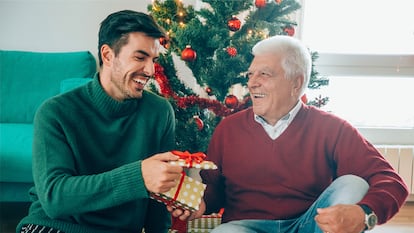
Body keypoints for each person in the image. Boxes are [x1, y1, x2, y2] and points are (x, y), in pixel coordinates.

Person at [176, 35, 409, 233]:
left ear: (296, 83)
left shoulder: (331, 128)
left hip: (309, 225)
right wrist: (202, 204)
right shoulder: (229, 129)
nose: (252, 83)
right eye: (250, 75)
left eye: (264, 75)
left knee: (354, 184)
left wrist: (364, 214)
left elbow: (392, 182)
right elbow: (214, 189)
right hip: (245, 227)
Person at [16, 10, 183, 233]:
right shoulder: (55, 112)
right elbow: (54, 198)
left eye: (153, 60)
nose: (150, 70)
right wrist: (139, 177)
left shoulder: (159, 112)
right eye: (140, 57)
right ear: (107, 55)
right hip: (55, 226)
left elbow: (157, 202)